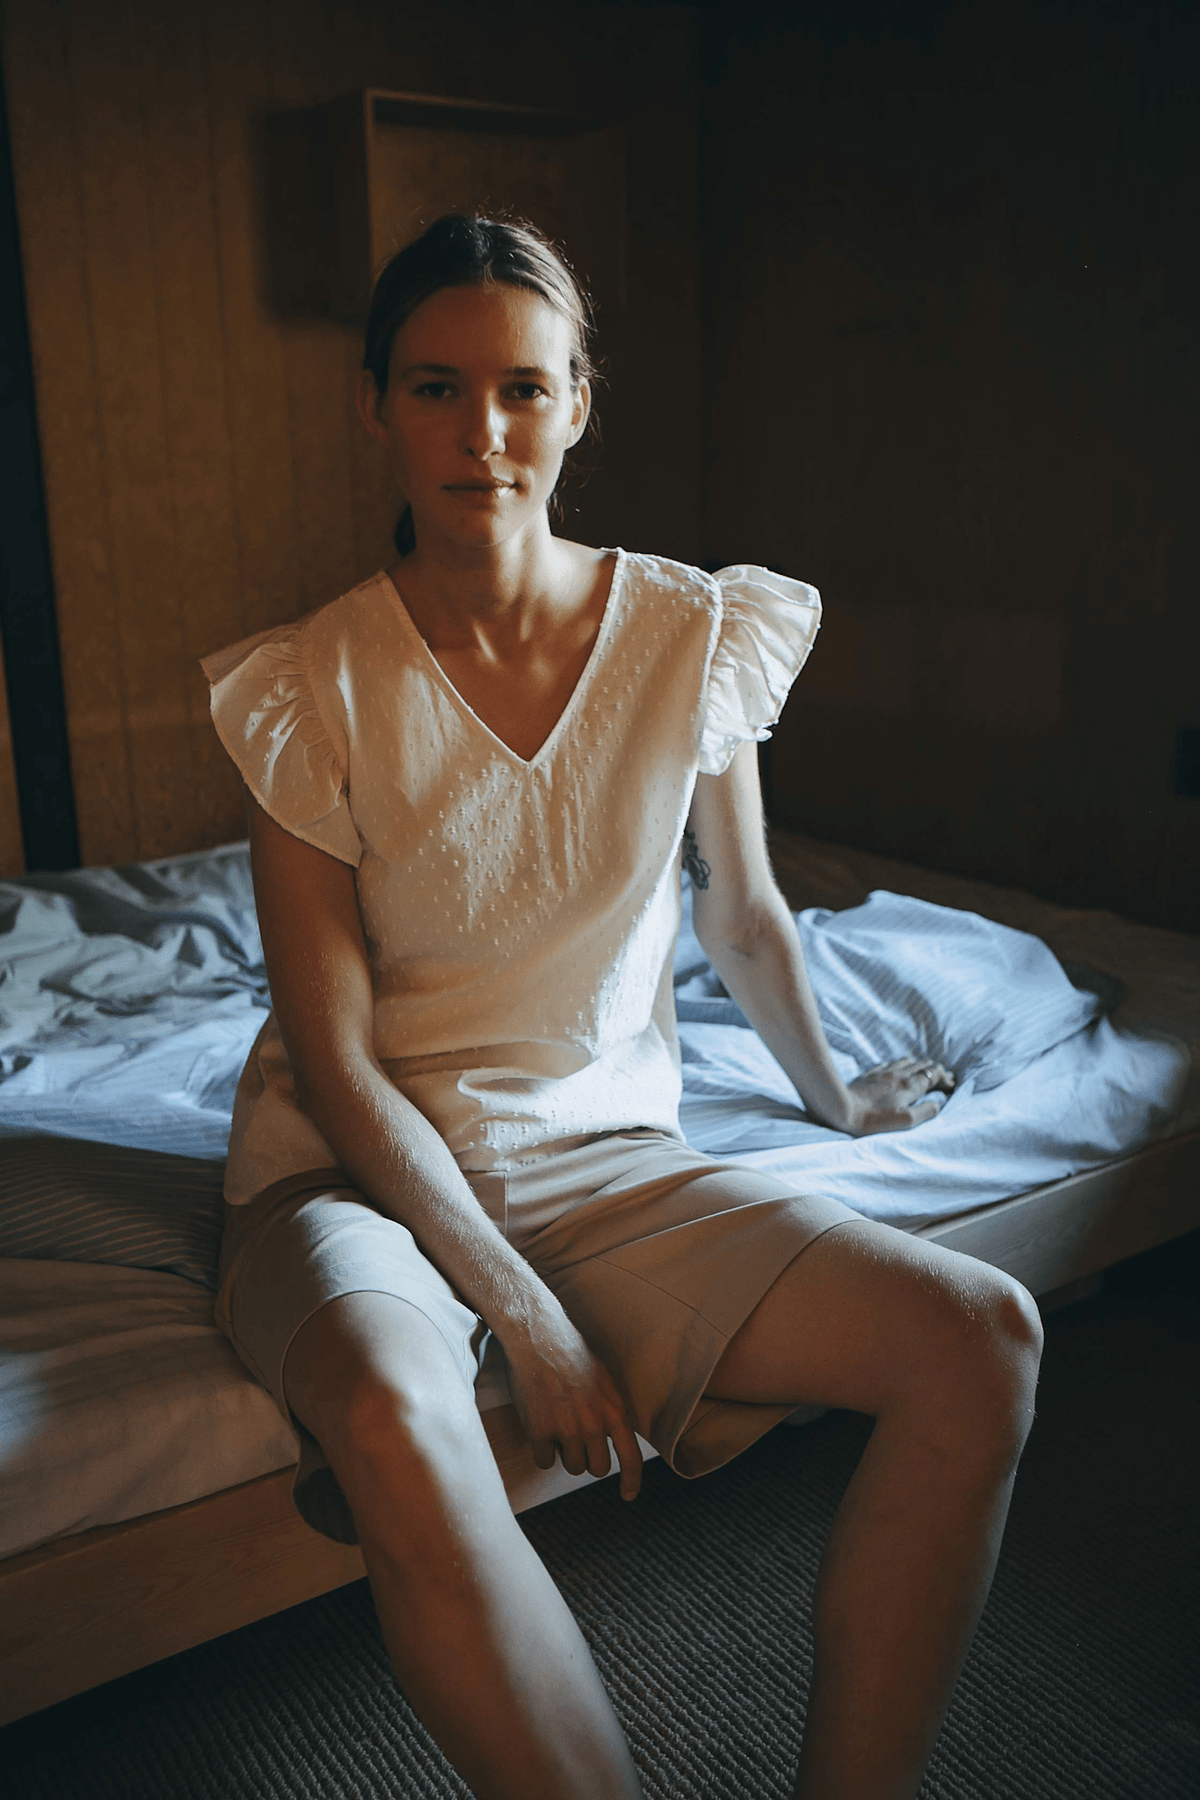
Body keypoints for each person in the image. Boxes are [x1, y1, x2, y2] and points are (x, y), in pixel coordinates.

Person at [201, 214, 1043, 1800]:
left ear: (579, 403)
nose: (483, 432)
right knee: (391, 1410)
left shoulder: (689, 634)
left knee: (982, 1337)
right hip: (353, 1171)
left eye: (522, 389)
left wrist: (839, 1099)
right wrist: (521, 1312)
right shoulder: (313, 683)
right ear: (375, 405)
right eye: (437, 388)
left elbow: (745, 914)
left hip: (599, 1163)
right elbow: (337, 1061)